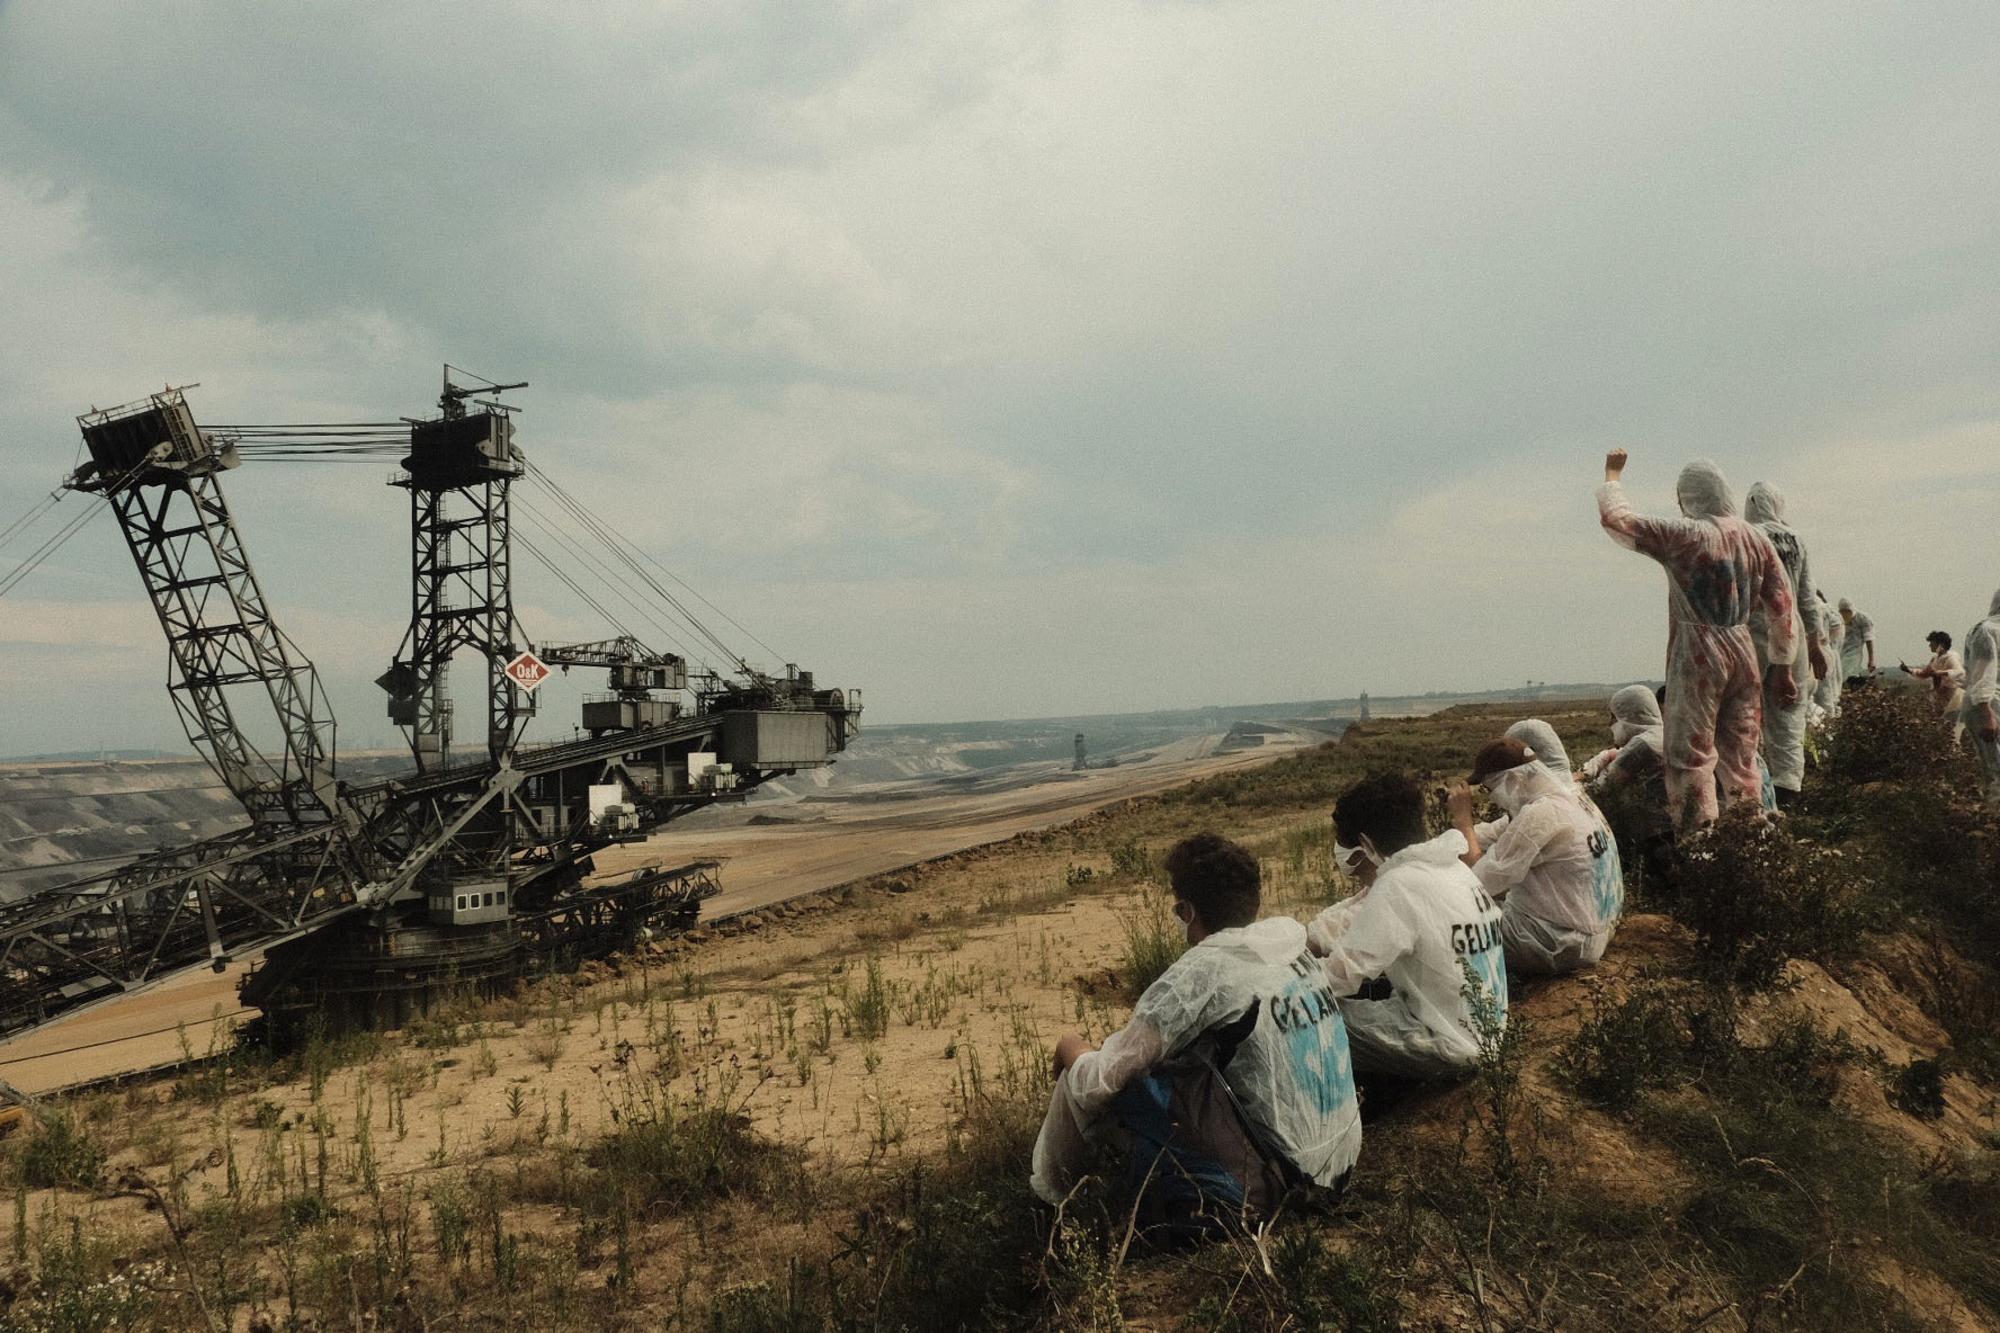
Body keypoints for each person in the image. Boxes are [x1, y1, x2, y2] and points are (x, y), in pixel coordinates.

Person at [1031, 833, 1361, 1228]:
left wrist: (1071, 1048)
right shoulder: (1290, 948)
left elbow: (1103, 1080)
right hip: (1339, 1162)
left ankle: (1050, 1203)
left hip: (1278, 1182)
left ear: (1187, 910)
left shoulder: (1202, 972)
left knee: (1084, 1074)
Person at [1596, 450, 1798, 827]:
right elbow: (1782, 604)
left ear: (1688, 496)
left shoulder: (1688, 535)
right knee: (1742, 755)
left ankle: (1700, 844)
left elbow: (1618, 521)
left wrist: (1612, 476)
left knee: (1691, 756)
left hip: (1699, 655)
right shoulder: (1756, 539)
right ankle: (1750, 836)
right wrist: (1783, 665)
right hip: (1744, 652)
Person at [1305, 773, 1507, 1080]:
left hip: (1451, 1045)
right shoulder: (1453, 867)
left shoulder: (1396, 885)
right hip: (1487, 1030)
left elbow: (1339, 977)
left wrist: (1284, 983)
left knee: (1314, 1017)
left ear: (1366, 843)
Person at [1447, 739, 1622, 976]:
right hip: (1589, 930)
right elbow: (1492, 833)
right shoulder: (1567, 797)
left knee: (1450, 927)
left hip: (1559, 942)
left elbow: (1479, 880)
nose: (1491, 798)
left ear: (1512, 780)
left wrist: (1462, 821)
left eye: (1489, 789)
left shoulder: (1541, 814)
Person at [1743, 483, 1829, 809]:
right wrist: (1817, 645)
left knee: (1745, 713)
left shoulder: (1746, 534)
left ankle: (1750, 791)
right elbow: (1807, 597)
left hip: (1754, 632)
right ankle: (1790, 790)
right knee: (1790, 713)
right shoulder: (1796, 539)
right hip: (1794, 636)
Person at [1962, 590, 2000, 805]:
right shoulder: (1986, 630)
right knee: (1996, 768)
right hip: (1987, 704)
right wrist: (1987, 714)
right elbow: (1982, 676)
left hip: (1991, 703)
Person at [1901, 632, 1966, 737]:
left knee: (1952, 729)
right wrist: (1908, 670)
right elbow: (1924, 674)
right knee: (1940, 727)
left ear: (1940, 644)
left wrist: (1942, 673)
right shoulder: (1935, 659)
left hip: (1953, 699)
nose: (1930, 645)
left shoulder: (1950, 658)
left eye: (1932, 643)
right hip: (1940, 698)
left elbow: (1960, 672)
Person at [1837, 598, 1877, 684]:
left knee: (1850, 668)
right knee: (1838, 671)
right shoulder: (1837, 619)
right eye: (1842, 612)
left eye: (1847, 611)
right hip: (1840, 649)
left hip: (1855, 650)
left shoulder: (1863, 619)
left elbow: (1869, 638)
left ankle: (1856, 682)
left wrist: (1871, 659)